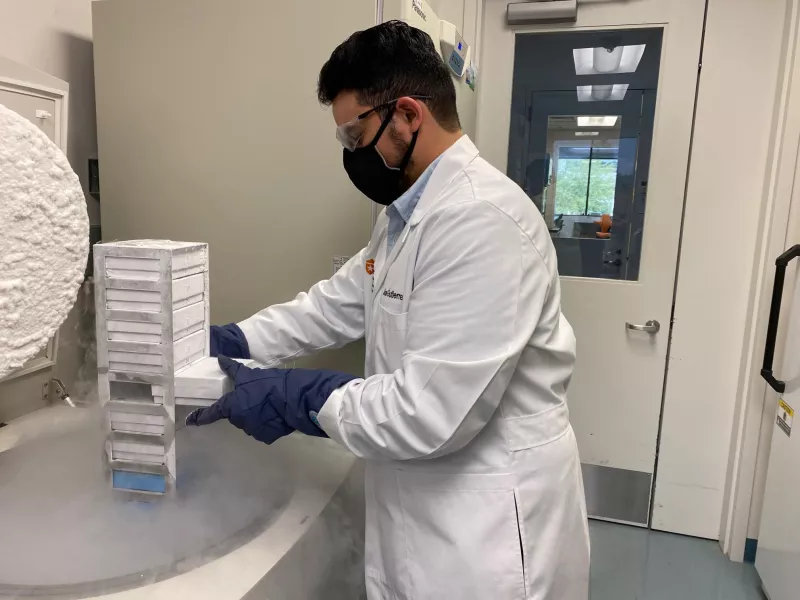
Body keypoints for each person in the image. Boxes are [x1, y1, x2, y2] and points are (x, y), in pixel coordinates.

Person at [186, 21, 590, 600]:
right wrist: (232, 341)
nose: (350, 152)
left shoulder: (483, 221)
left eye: (354, 133)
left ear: (406, 115)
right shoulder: (405, 217)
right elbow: (330, 307)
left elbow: (425, 412)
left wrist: (291, 395)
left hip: (488, 529)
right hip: (424, 507)